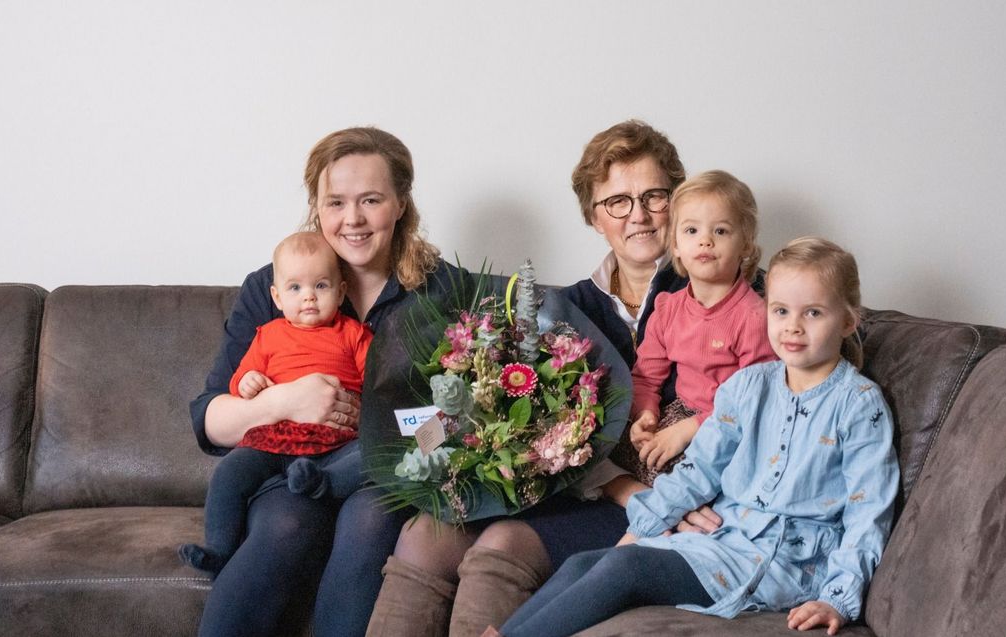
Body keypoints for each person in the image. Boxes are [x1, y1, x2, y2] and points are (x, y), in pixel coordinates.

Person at [367, 120, 718, 637]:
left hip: (678, 500)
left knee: (502, 544)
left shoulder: (721, 294)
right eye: (617, 201)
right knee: (426, 534)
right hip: (596, 492)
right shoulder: (566, 310)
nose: (638, 215)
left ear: (678, 201)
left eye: (655, 196)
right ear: (594, 217)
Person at [491, 237, 900, 637]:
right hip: (721, 539)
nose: (792, 326)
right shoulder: (747, 386)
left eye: (813, 313)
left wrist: (838, 598)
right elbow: (699, 469)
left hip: (783, 562)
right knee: (583, 564)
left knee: (626, 570)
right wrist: (643, 528)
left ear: (848, 321)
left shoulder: (859, 405)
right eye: (780, 310)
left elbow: (869, 513)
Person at [189, 127, 457, 637]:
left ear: (401, 204)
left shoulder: (440, 291)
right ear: (316, 206)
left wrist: (387, 433)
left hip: (381, 472)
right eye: (335, 202)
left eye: (371, 200)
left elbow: (458, 415)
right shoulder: (274, 286)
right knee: (286, 523)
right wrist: (285, 400)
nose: (352, 219)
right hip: (288, 463)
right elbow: (209, 420)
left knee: (370, 520)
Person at [180, 232, 372, 576]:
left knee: (373, 455)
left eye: (322, 286)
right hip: (274, 439)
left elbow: (378, 385)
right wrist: (249, 382)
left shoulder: (353, 334)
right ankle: (220, 550)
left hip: (336, 442)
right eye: (295, 288)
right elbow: (240, 381)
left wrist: (366, 409)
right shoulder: (267, 334)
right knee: (228, 474)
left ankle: (323, 482)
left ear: (341, 292)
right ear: (277, 297)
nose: (309, 297)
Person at [618, 170, 777, 486]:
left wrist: (688, 430)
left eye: (720, 230)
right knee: (615, 444)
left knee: (685, 471)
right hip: (681, 412)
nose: (705, 240)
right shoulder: (668, 308)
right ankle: (667, 500)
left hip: (731, 424)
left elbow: (757, 400)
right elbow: (647, 376)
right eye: (691, 230)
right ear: (674, 244)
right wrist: (646, 415)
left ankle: (688, 505)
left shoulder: (754, 316)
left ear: (745, 244)